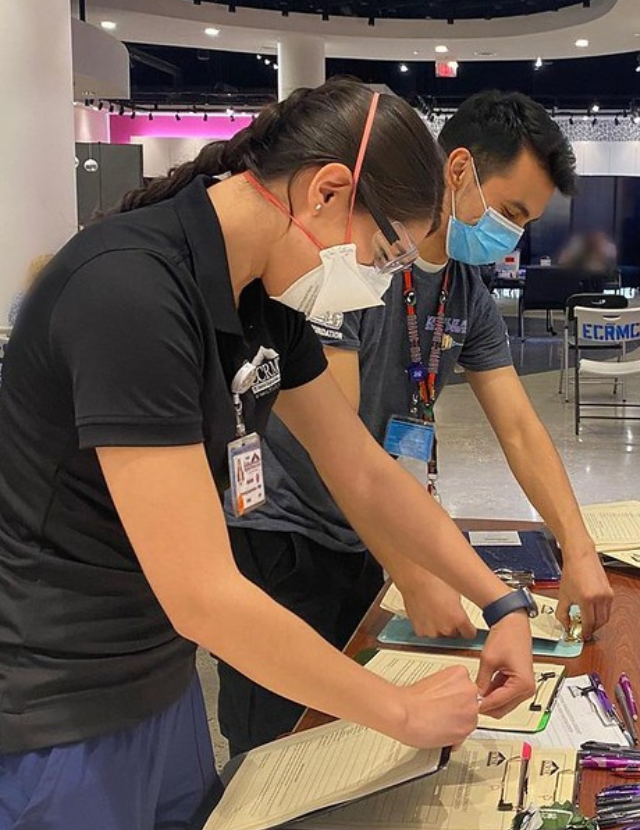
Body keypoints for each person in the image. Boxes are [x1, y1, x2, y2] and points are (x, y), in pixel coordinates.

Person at [0, 79, 535, 830]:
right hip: (63, 709)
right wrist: (399, 712)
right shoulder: (129, 293)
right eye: (385, 253)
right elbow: (204, 592)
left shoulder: (260, 299)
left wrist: (500, 600)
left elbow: (364, 472)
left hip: (161, 679)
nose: (379, 284)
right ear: (325, 192)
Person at [219, 89, 614, 757]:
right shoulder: (351, 259)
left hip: (367, 537)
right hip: (284, 535)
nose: (511, 234)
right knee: (278, 749)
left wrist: (576, 548)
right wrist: (413, 570)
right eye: (510, 211)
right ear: (457, 169)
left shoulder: (464, 287)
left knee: (354, 745)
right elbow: (336, 443)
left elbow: (518, 426)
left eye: (526, 223)